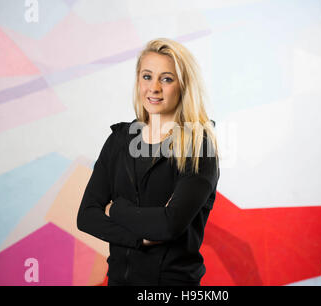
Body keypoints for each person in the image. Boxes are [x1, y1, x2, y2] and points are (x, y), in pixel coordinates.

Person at [76, 38, 220, 286]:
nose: (153, 87)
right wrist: (139, 239)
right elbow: (87, 216)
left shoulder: (198, 148)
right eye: (146, 76)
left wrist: (115, 209)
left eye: (166, 79)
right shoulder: (119, 141)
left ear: (183, 86)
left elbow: (168, 226)